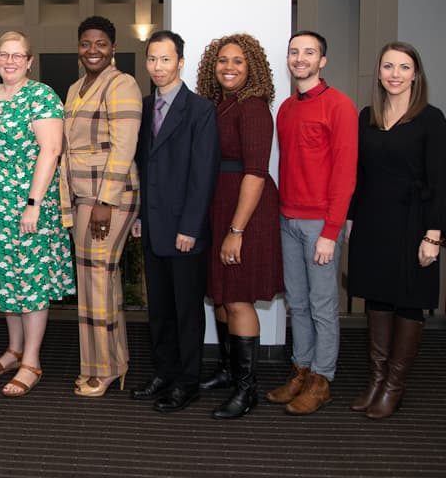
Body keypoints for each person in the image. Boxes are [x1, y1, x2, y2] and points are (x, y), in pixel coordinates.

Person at [0, 31, 75, 397]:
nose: (10, 61)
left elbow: (51, 151)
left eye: (18, 55)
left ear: (30, 61)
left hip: (31, 204)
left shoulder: (41, 96)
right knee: (4, 280)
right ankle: (13, 349)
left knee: (30, 285)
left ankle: (32, 360)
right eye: (4, 55)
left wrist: (32, 203)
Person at [347, 42, 445, 419]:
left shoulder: (431, 119)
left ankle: (393, 386)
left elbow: (440, 181)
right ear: (379, 72)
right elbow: (360, 175)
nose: (395, 74)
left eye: (404, 68)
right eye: (388, 66)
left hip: (414, 224)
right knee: (376, 297)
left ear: (415, 74)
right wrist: (352, 221)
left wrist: (434, 235)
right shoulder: (367, 116)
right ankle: (375, 379)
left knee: (407, 299)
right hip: (372, 221)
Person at [267, 30, 358, 415]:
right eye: (294, 52)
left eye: (309, 53)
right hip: (287, 218)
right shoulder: (286, 108)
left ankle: (322, 380)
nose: (300, 58)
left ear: (322, 61)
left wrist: (331, 232)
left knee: (322, 306)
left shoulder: (339, 106)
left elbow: (345, 173)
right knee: (297, 304)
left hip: (320, 223)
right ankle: (301, 371)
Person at [129, 30, 220, 413]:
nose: (158, 67)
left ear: (180, 61)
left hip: (184, 232)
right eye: (152, 59)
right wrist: (137, 215)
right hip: (151, 227)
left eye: (166, 59)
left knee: (186, 311)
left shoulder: (200, 110)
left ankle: (188, 381)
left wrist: (190, 227)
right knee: (160, 310)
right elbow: (139, 169)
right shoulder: (144, 106)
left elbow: (204, 175)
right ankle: (164, 372)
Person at [195, 34, 283, 419]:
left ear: (253, 68)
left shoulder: (253, 108)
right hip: (218, 206)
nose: (229, 67)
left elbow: (256, 173)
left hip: (246, 211)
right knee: (220, 293)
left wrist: (237, 230)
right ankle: (229, 371)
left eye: (238, 61)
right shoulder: (220, 105)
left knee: (238, 296)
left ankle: (248, 391)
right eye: (222, 61)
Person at [59, 16, 141, 397]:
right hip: (84, 196)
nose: (93, 50)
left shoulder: (122, 83)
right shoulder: (77, 87)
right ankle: (116, 360)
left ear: (113, 48)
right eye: (86, 43)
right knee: (100, 281)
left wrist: (105, 201)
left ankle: (103, 369)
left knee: (95, 281)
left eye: (101, 44)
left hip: (108, 197)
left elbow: (124, 147)